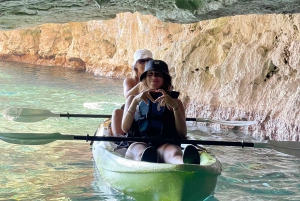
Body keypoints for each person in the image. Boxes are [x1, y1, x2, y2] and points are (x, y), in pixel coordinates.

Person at [121, 60, 200, 164]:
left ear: (165, 79)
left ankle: (184, 163)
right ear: (145, 78)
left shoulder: (175, 102)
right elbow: (125, 128)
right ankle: (146, 159)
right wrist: (135, 102)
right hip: (139, 142)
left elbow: (182, 134)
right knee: (140, 151)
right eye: (150, 74)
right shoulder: (132, 99)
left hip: (165, 143)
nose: (154, 77)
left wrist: (175, 107)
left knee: (173, 153)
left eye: (158, 75)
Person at [110, 49, 153, 136]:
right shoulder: (130, 81)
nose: (145, 64)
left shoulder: (156, 80)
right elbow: (128, 96)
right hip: (132, 111)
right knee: (117, 112)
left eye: (148, 61)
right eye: (142, 61)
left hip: (150, 111)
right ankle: (120, 140)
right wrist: (142, 83)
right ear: (136, 65)